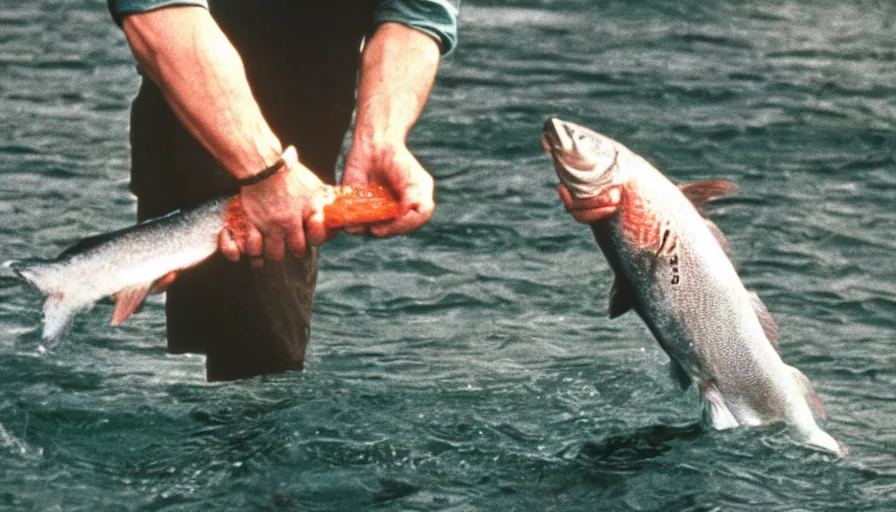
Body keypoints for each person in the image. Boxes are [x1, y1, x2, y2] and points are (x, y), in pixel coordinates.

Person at [106, 0, 459, 381]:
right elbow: (157, 10)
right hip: (191, 118)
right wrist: (265, 171)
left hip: (303, 149)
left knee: (262, 387)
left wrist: (383, 137)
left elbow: (414, 15)